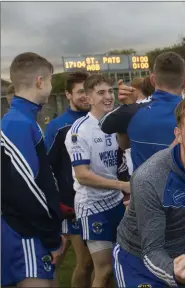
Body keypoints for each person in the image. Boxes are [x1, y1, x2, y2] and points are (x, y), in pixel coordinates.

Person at [101, 52, 185, 267]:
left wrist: (127, 105)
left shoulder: (135, 112)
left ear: (153, 80)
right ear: (183, 82)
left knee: (155, 260)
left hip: (148, 205)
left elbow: (105, 124)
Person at [113, 94, 185, 288]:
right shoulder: (150, 178)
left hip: (184, 252)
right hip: (137, 257)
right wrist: (175, 273)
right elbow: (152, 250)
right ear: (179, 135)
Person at [1, 52, 66, 287]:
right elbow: (27, 189)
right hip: (25, 234)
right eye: (49, 80)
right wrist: (51, 236)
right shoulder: (18, 123)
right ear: (40, 81)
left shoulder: (24, 119)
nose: (49, 87)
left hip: (31, 232)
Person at [64, 74, 129, 288]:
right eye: (101, 93)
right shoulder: (78, 130)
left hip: (118, 202)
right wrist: (122, 186)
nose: (108, 96)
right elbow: (82, 175)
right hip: (93, 206)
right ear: (89, 98)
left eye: (110, 91)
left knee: (122, 265)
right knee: (105, 269)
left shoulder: (118, 123)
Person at [44, 71, 93, 287]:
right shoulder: (59, 126)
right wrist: (58, 201)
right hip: (71, 205)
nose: (86, 96)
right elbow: (46, 167)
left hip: (99, 203)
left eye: (88, 90)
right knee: (86, 263)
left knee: (99, 263)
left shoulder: (100, 120)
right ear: (68, 95)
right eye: (80, 91)